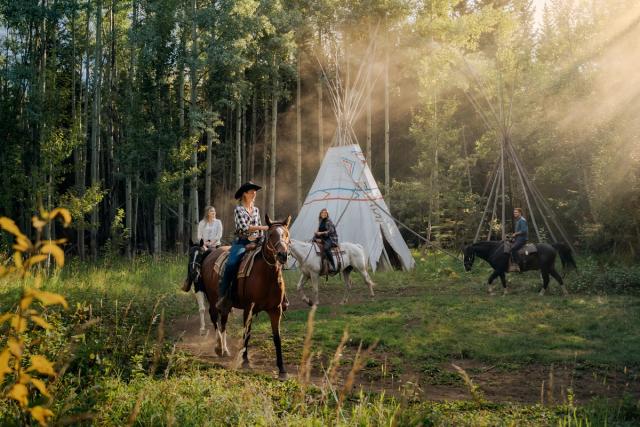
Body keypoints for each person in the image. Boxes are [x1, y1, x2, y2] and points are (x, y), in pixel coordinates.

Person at [216, 182, 269, 315]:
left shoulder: (256, 210)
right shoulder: (238, 210)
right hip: (242, 242)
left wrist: (261, 237)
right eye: (252, 192)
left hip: (257, 241)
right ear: (245, 194)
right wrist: (263, 228)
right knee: (231, 264)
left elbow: (259, 226)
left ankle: (278, 296)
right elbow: (245, 228)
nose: (254, 194)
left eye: (255, 192)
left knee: (273, 258)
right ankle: (223, 296)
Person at [314, 208, 339, 272]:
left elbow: (330, 231)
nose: (324, 214)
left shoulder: (329, 221)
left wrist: (321, 233)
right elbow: (319, 230)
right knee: (313, 242)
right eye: (322, 213)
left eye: (325, 213)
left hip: (331, 238)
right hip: (323, 237)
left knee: (326, 248)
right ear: (320, 214)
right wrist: (316, 233)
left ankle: (333, 265)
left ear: (327, 214)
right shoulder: (320, 221)